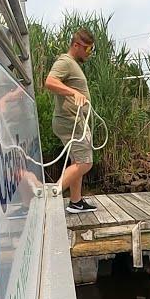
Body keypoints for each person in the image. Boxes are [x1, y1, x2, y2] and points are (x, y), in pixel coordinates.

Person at [44, 28, 98, 213]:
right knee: (84, 163)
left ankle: (76, 202)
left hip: (75, 120)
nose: (90, 54)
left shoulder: (72, 64)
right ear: (77, 45)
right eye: (88, 49)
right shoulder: (65, 62)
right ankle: (49, 198)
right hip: (69, 121)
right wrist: (73, 92)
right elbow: (50, 82)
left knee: (77, 161)